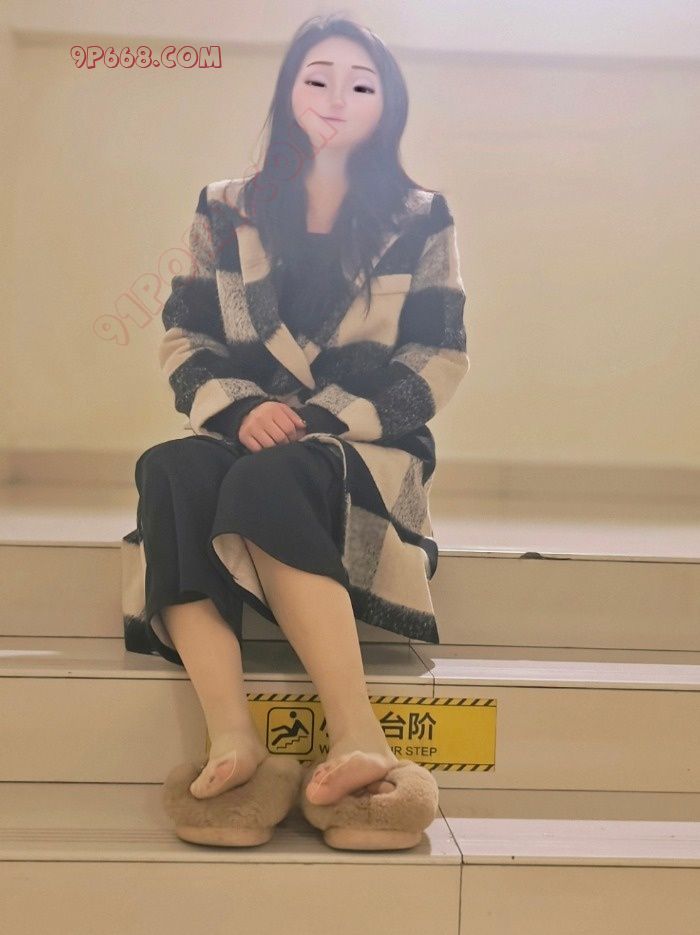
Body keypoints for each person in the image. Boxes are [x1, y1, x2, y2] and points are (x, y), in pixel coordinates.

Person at [123, 13, 469, 820]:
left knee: (271, 479)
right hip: (243, 430)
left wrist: (320, 419)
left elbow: (439, 355)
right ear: (287, 93)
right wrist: (241, 409)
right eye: (317, 78)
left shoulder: (421, 216)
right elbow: (185, 335)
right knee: (169, 469)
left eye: (360, 84)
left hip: (362, 442)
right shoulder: (225, 208)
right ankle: (232, 736)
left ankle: (357, 734)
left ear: (388, 104)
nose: (337, 98)